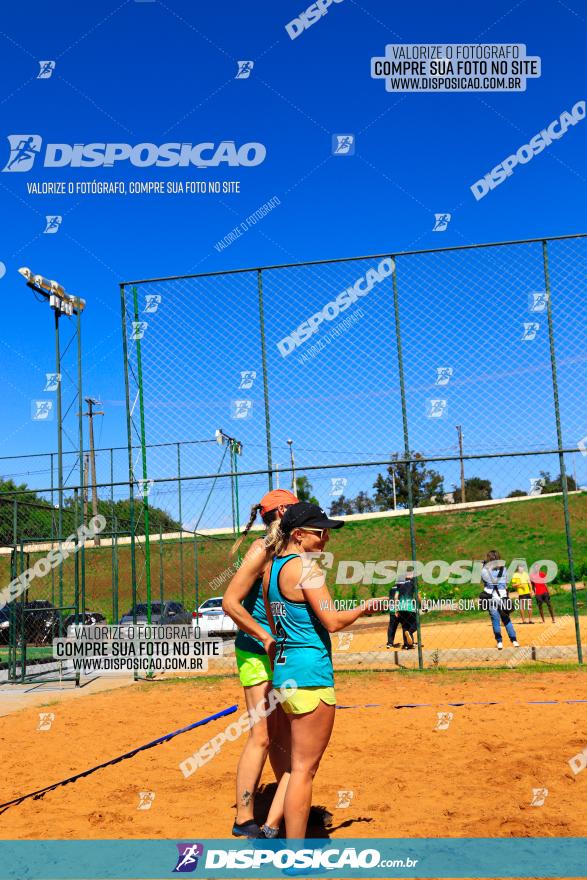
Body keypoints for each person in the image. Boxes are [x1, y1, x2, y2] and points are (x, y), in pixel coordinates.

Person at [263, 501, 381, 839]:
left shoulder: (273, 568)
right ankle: (296, 853)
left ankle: (272, 826)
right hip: (310, 675)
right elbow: (331, 620)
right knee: (304, 770)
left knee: (295, 764)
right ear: (299, 535)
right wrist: (364, 607)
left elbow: (274, 624)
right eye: (321, 532)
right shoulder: (306, 568)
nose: (327, 537)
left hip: (285, 672)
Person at [222, 488, 298, 839]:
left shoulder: (290, 553)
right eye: (297, 512)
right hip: (255, 651)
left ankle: (290, 807)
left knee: (283, 738)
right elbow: (230, 603)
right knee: (261, 737)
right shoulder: (262, 550)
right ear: (283, 513)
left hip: (279, 652)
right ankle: (243, 816)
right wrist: (266, 638)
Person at [479, 550, 520, 650]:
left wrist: (483, 565)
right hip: (503, 598)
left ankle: (499, 642)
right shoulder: (504, 569)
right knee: (506, 620)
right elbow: (506, 583)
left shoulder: (485, 570)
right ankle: (514, 640)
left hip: (491, 598)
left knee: (495, 621)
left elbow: (484, 579)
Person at [387, 567, 418, 649]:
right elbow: (417, 595)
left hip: (400, 608)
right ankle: (410, 634)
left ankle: (407, 645)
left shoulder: (399, 585)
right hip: (409, 607)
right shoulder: (413, 582)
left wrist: (396, 609)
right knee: (416, 623)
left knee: (405, 626)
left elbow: (396, 597)